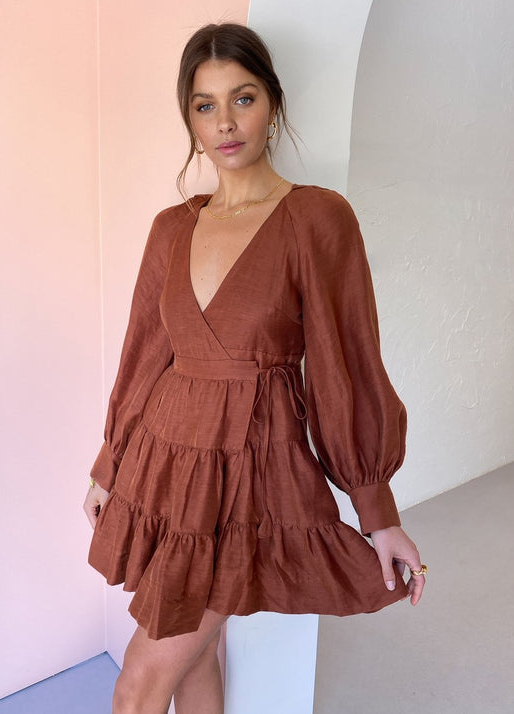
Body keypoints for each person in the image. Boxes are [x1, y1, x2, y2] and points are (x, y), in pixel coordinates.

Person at [83, 22, 426, 714]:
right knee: (197, 657)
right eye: (204, 105)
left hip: (250, 475)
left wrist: (376, 511)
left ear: (272, 103)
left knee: (137, 684)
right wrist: (108, 465)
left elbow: (346, 364)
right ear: (189, 120)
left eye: (241, 98)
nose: (225, 122)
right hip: (167, 465)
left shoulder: (315, 218)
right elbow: (144, 355)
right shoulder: (171, 228)